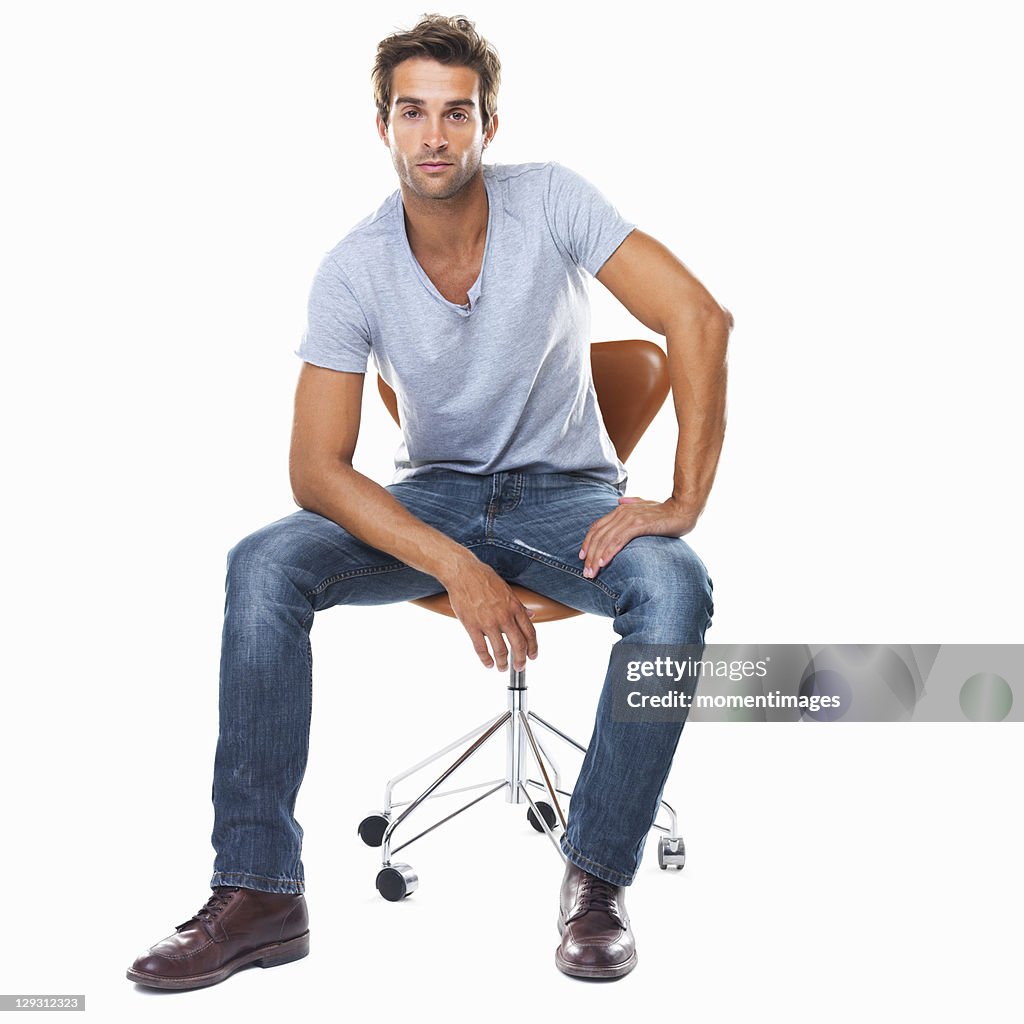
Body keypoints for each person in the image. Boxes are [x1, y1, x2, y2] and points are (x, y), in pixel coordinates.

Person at [127, 13, 731, 988]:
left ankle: (595, 876)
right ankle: (259, 891)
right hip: (436, 501)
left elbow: (695, 318)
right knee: (263, 563)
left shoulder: (552, 201)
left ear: (489, 123)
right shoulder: (353, 268)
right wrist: (454, 561)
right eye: (414, 113)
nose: (436, 135)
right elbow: (317, 470)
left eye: (457, 113)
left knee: (676, 591)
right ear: (384, 127)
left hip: (565, 500)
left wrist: (683, 500)